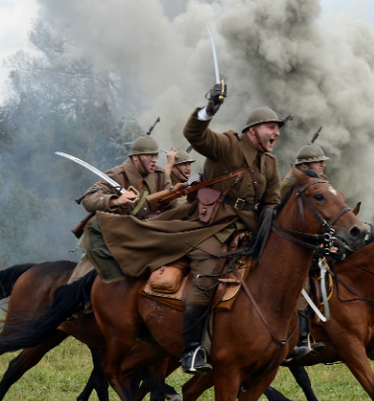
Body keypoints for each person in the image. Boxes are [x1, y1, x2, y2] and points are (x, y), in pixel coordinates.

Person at [177, 85, 286, 374]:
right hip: (214, 225)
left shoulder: (270, 162)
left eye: (278, 128)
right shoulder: (228, 144)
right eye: (271, 127)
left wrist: (269, 221)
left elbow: (272, 198)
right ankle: (191, 351)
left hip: (251, 230)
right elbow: (195, 135)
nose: (276, 133)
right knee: (207, 277)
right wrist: (209, 109)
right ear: (253, 130)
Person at [67, 135, 173, 284]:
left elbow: (175, 200)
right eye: (149, 156)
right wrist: (115, 200)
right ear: (136, 158)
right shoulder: (117, 175)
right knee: (83, 281)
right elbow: (88, 200)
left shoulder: (159, 176)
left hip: (147, 235)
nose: (154, 159)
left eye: (155, 155)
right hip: (114, 239)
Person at [280, 140, 332, 361]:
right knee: (301, 284)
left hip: (314, 242)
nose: (323, 166)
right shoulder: (290, 184)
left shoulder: (321, 184)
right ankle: (302, 338)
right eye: (319, 162)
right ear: (307, 165)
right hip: (289, 245)